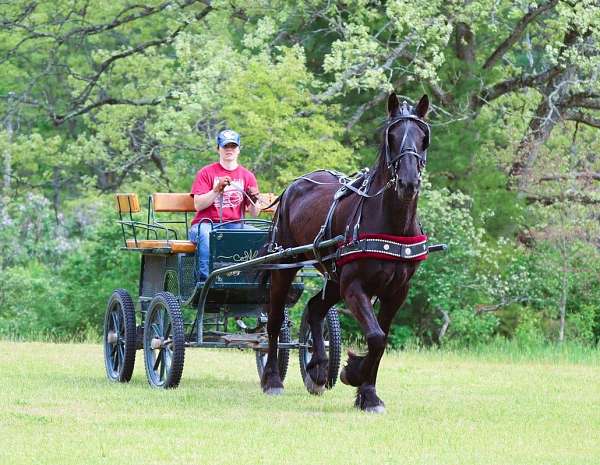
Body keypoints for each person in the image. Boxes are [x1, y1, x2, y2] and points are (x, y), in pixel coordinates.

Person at [188, 129, 261, 281]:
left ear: (238, 149)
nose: (229, 150)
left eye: (233, 146)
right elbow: (198, 205)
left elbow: (255, 213)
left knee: (260, 236)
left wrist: (254, 200)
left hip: (235, 225)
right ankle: (206, 282)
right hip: (206, 224)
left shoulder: (247, 176)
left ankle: (252, 280)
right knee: (206, 236)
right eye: (225, 146)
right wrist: (216, 190)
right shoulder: (206, 173)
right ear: (218, 149)